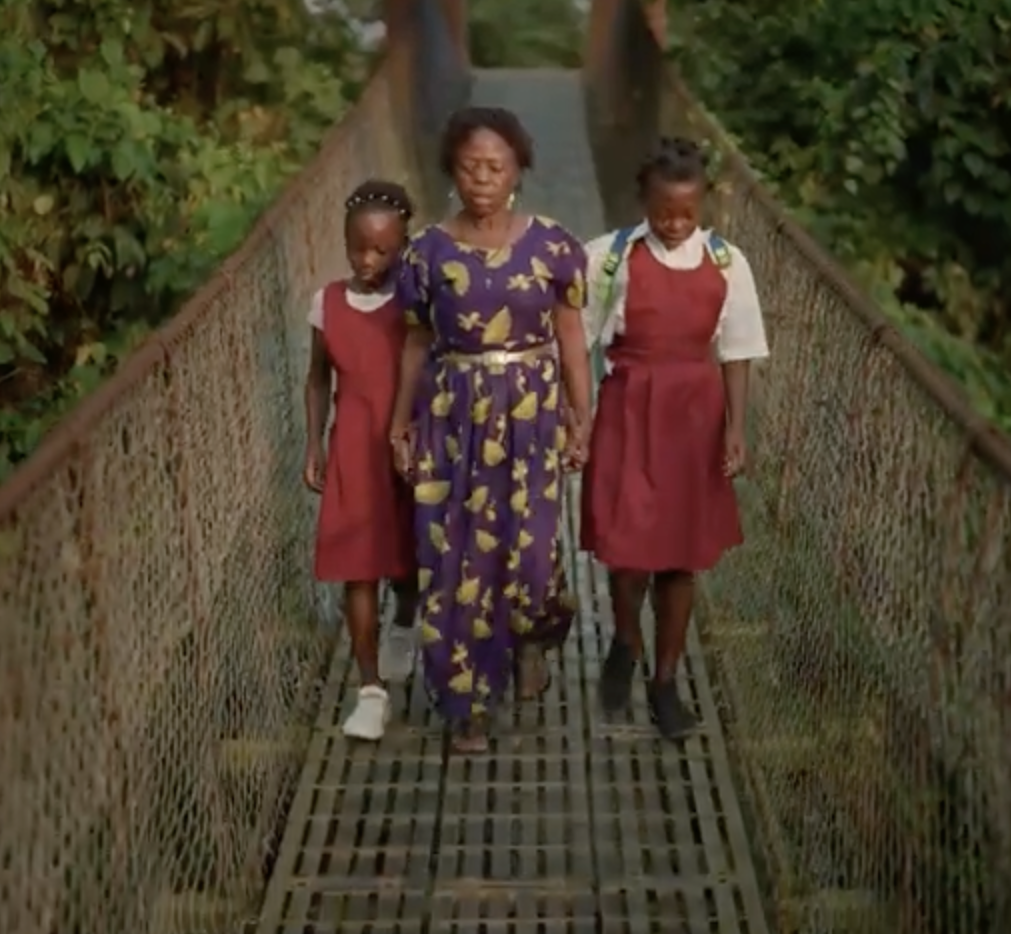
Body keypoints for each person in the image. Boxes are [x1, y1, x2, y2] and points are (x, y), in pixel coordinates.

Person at [388, 106, 594, 754]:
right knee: (455, 562)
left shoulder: (556, 247)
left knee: (533, 559)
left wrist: (581, 415)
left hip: (531, 412)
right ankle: (465, 705)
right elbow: (416, 342)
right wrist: (401, 425)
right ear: (453, 169)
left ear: (517, 173)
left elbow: (572, 340)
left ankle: (532, 635)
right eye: (471, 166)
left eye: (495, 167)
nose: (482, 178)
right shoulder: (425, 253)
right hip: (454, 416)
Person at [580, 137, 770, 741]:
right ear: (643, 201)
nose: (675, 224)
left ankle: (665, 682)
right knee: (630, 546)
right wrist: (573, 415)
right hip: (630, 407)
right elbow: (574, 336)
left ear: (704, 206)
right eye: (664, 212)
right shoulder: (607, 258)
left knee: (682, 556)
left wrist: (735, 429)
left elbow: (737, 350)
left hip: (695, 416)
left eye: (687, 213)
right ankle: (626, 639)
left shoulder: (726, 263)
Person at [304, 179, 422, 741]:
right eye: (359, 247)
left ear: (404, 246)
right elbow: (317, 377)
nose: (368, 259)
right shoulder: (326, 303)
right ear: (344, 240)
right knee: (358, 566)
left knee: (405, 555)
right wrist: (313, 442)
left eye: (382, 250)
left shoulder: (414, 303)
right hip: (352, 442)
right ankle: (370, 691)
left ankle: (405, 618)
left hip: (406, 443)